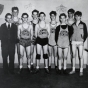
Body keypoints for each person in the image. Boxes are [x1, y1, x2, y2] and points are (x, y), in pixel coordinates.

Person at [69, 11, 87, 76]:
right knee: (73, 56)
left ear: (80, 17)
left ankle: (81, 70)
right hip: (73, 42)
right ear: (75, 16)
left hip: (80, 42)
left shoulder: (83, 24)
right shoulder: (72, 25)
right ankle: (73, 70)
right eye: (76, 16)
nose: (77, 17)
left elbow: (86, 34)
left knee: (81, 56)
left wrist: (82, 40)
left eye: (78, 16)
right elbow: (70, 33)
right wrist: (71, 40)